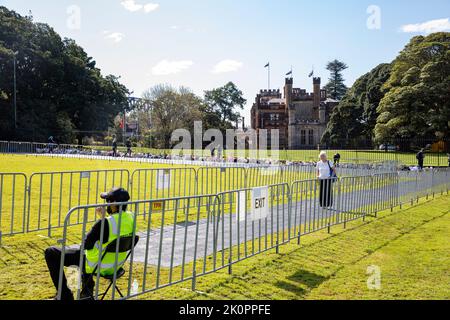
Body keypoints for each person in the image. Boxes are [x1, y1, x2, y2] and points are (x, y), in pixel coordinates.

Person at [44, 187, 135, 300]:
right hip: (116, 264)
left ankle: (64, 295)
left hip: (97, 265)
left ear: (114, 203)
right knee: (82, 253)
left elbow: (86, 244)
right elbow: (116, 232)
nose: (106, 204)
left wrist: (102, 220)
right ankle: (87, 291)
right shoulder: (132, 217)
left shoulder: (105, 223)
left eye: (108, 201)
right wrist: (104, 219)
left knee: (51, 252)